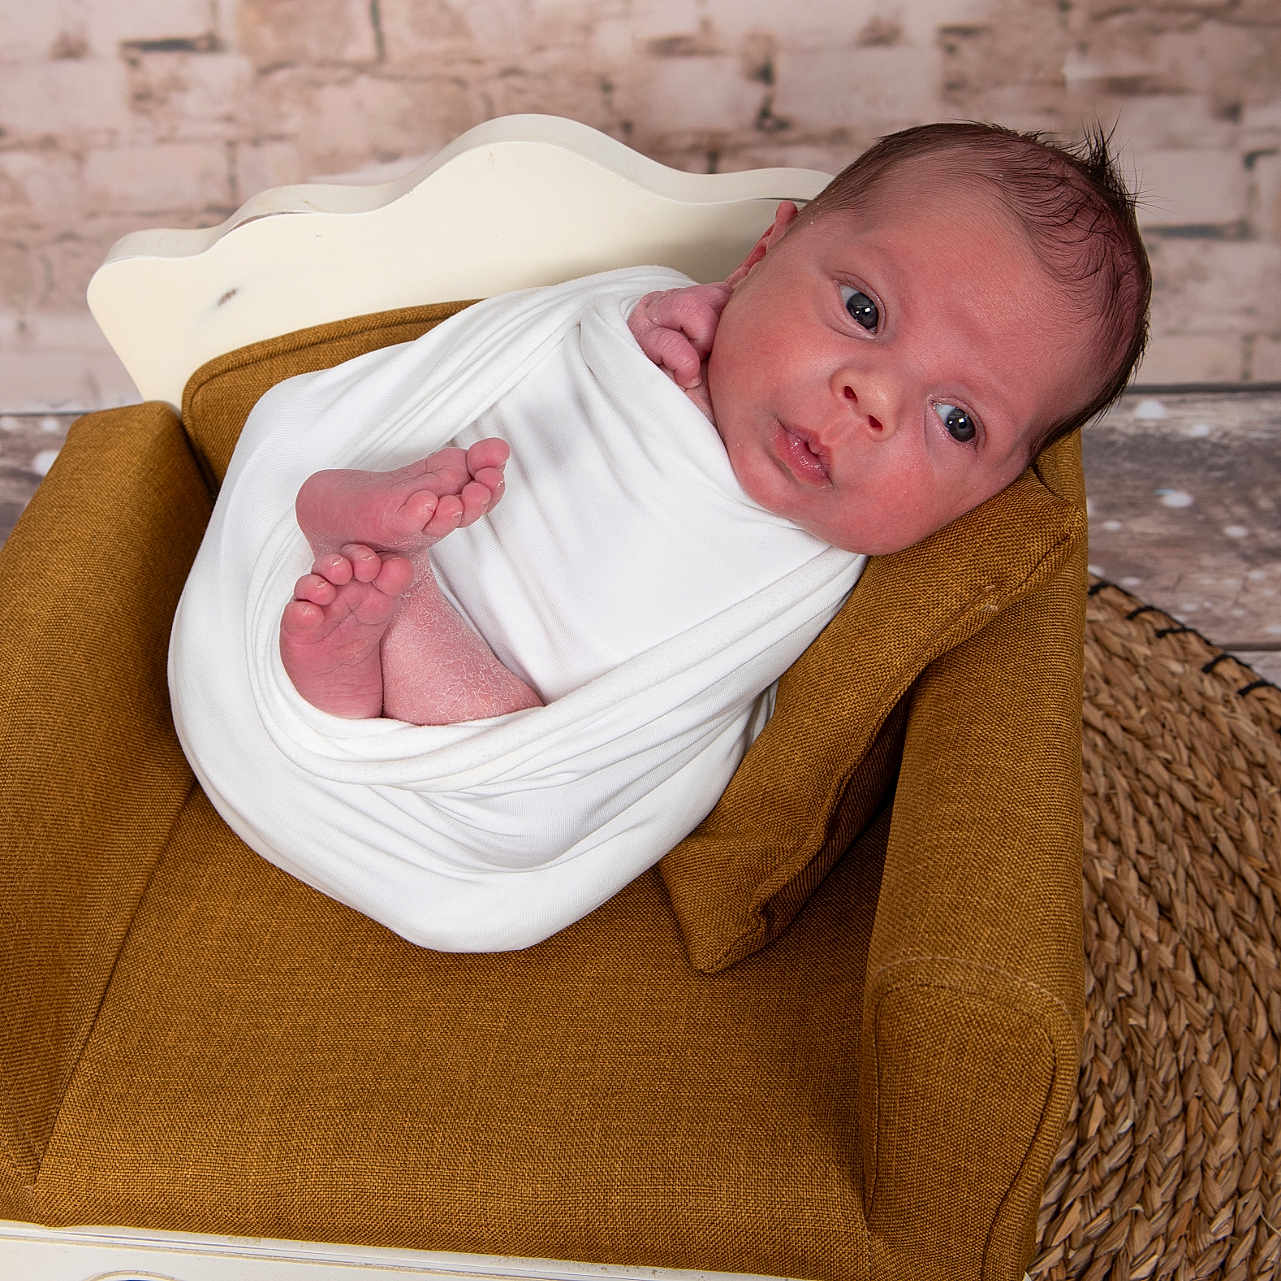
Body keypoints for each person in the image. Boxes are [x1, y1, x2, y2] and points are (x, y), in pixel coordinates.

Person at [274, 121, 1150, 728]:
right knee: (483, 714)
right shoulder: (663, 341)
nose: (876, 399)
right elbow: (556, 346)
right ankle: (367, 553)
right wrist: (629, 338)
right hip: (464, 529)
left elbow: (694, 713)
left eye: (956, 420)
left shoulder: (828, 578)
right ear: (765, 254)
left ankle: (372, 637)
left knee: (522, 777)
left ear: (997, 490)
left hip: (529, 698)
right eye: (862, 308)